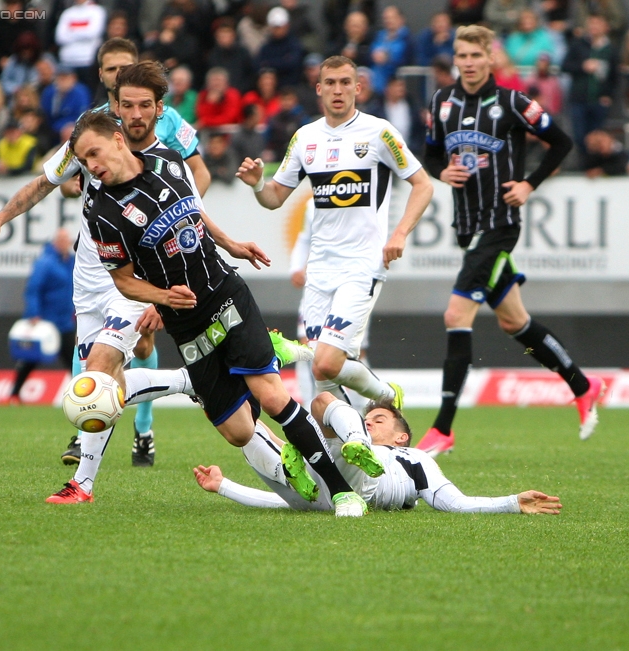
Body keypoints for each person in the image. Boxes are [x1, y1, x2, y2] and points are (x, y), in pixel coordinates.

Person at [74, 111, 371, 517]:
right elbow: (123, 281)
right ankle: (269, 356)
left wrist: (229, 243)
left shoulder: (170, 162)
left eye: (94, 153)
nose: (91, 165)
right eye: (83, 160)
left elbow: (194, 214)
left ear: (118, 139)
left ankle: (341, 493)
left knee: (271, 395)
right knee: (238, 432)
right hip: (186, 322)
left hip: (224, 293)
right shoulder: (102, 213)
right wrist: (161, 296)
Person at [0, 40, 210, 472]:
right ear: (102, 76)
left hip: (135, 272)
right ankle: (187, 381)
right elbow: (47, 181)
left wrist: (175, 230)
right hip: (91, 275)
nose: (118, 75)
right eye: (110, 69)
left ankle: (99, 460)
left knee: (100, 370)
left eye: (125, 68)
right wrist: (0, 219)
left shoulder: (167, 127)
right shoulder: (89, 129)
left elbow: (194, 181)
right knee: (95, 380)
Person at [418, 25, 602, 458]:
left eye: (476, 55)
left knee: (456, 313)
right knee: (513, 321)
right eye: (461, 55)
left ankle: (443, 428)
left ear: (491, 59)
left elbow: (561, 142)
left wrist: (530, 184)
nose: (468, 62)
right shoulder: (441, 102)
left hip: (499, 223)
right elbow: (428, 154)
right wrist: (441, 172)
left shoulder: (513, 103)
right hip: (467, 227)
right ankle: (583, 384)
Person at [238, 55, 433, 410]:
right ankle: (351, 441)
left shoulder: (379, 132)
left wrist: (400, 233)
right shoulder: (305, 138)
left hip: (362, 265)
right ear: (319, 89)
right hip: (320, 270)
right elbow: (274, 198)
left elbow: (423, 185)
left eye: (346, 82)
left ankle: (388, 398)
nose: (338, 90)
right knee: (321, 373)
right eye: (331, 83)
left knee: (326, 362)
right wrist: (256, 184)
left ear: (358, 88)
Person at [194, 393, 563, 515]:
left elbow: (456, 503)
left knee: (323, 401)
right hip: (319, 496)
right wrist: (223, 485)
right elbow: (284, 504)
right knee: (240, 428)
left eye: (380, 419)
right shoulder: (387, 443)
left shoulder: (416, 459)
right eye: (367, 418)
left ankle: (346, 445)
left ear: (401, 436)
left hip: (363, 487)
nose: (373, 421)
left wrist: (513, 502)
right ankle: (201, 388)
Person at [10, 229, 76, 403]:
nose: (65, 243)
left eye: (67, 240)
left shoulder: (71, 262)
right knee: (30, 359)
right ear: (55, 242)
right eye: (62, 240)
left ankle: (79, 397)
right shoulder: (45, 263)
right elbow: (33, 290)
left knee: (73, 360)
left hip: (65, 322)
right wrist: (33, 313)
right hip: (46, 322)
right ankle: (14, 395)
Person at [562, 14, 618, 155]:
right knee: (580, 135)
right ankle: (583, 165)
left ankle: (595, 164)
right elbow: (565, 66)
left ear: (606, 26)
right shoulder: (578, 44)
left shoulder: (611, 49)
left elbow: (615, 76)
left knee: (597, 135)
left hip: (599, 99)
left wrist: (608, 95)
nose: (594, 27)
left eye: (597, 23)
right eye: (591, 23)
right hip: (578, 98)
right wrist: (582, 66)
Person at [257, 7, 305, 88]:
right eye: (275, 27)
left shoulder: (294, 44)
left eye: (279, 26)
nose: (277, 30)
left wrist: (269, 63)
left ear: (287, 25)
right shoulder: (266, 46)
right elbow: (259, 65)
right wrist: (283, 61)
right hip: (272, 90)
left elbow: (293, 63)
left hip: (292, 87)